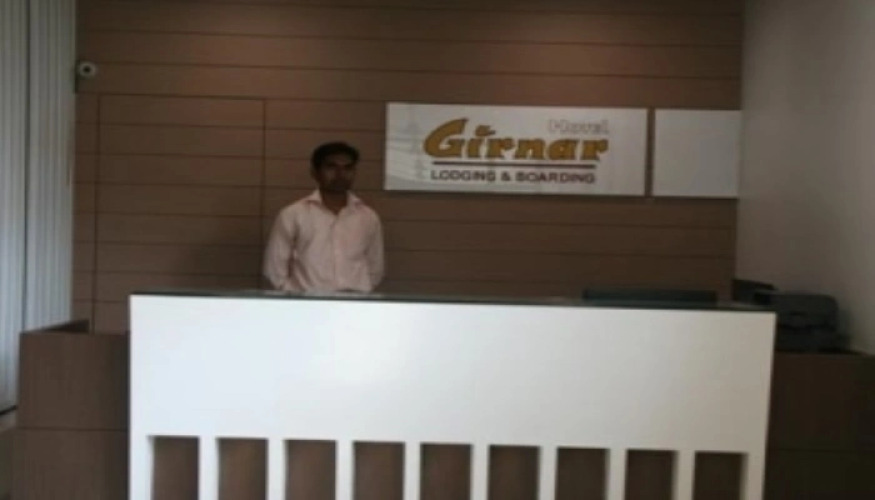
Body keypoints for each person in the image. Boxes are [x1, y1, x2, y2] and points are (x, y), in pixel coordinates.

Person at [263, 142, 384, 293]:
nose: (340, 174)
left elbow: (375, 268)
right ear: (315, 172)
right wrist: (295, 297)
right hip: (305, 302)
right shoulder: (293, 214)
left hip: (355, 302)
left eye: (347, 168)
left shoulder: (368, 217)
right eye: (331, 167)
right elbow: (274, 269)